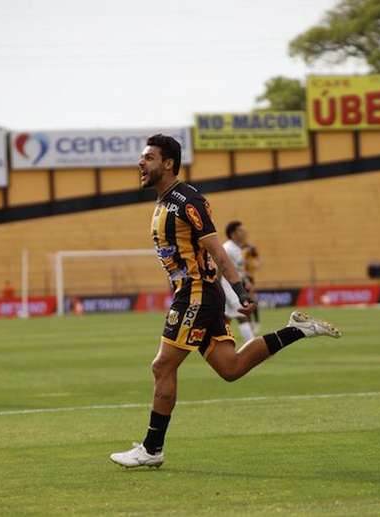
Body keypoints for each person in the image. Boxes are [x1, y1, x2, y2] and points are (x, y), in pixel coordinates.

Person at [110, 134, 342, 469]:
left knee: (162, 366)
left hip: (197, 294)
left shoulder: (187, 199)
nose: (140, 163)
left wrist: (242, 292)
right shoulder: (163, 202)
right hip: (195, 294)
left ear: (168, 163)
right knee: (230, 368)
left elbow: (218, 252)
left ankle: (152, 448)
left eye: (148, 158)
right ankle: (296, 330)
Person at [220, 220, 256, 342]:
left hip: (233, 287)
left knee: (225, 317)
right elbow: (220, 267)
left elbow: (238, 270)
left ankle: (217, 342)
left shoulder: (238, 249)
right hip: (226, 286)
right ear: (233, 233)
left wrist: (246, 281)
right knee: (242, 313)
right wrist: (218, 288)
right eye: (241, 230)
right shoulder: (227, 248)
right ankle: (253, 346)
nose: (244, 232)